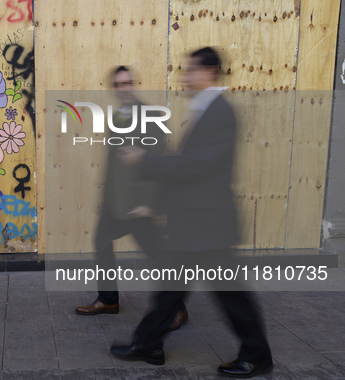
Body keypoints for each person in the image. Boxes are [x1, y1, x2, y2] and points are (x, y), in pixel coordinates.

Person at [114, 47, 273, 378]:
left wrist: (144, 161)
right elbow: (190, 170)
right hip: (195, 221)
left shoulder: (220, 112)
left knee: (231, 296)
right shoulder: (205, 109)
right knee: (170, 288)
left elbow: (195, 167)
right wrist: (154, 204)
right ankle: (148, 344)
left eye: (192, 70)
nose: (186, 76)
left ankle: (256, 355)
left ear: (210, 71)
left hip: (207, 224)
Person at [75, 66, 188, 332]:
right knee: (102, 242)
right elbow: (115, 163)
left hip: (139, 205)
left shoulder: (149, 116)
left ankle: (178, 307)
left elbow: (160, 160)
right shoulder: (118, 116)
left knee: (159, 256)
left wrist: (150, 203)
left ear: (133, 85)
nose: (123, 88)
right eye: (118, 84)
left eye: (127, 83)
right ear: (114, 88)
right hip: (116, 203)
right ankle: (108, 300)